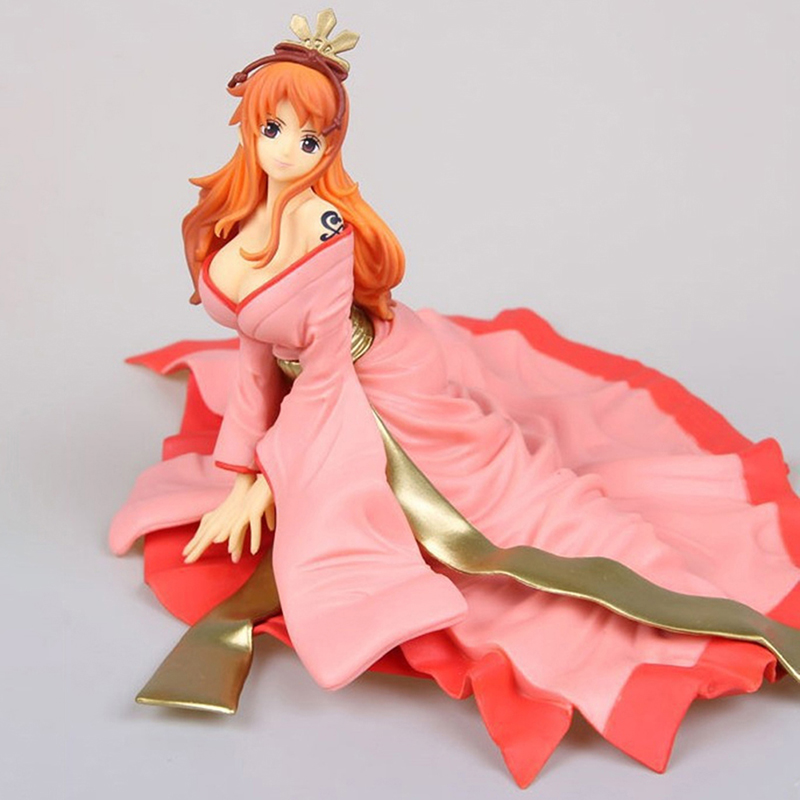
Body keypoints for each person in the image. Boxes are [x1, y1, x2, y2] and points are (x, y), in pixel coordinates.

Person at [110, 10, 800, 788]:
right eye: (274, 129)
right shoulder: (237, 220)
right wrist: (240, 469)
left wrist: (271, 476)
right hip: (314, 381)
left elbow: (327, 374)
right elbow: (254, 354)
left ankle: (706, 614)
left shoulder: (326, 228)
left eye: (311, 139)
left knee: (498, 509)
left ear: (330, 146)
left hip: (383, 381)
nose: (289, 152)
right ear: (248, 124)